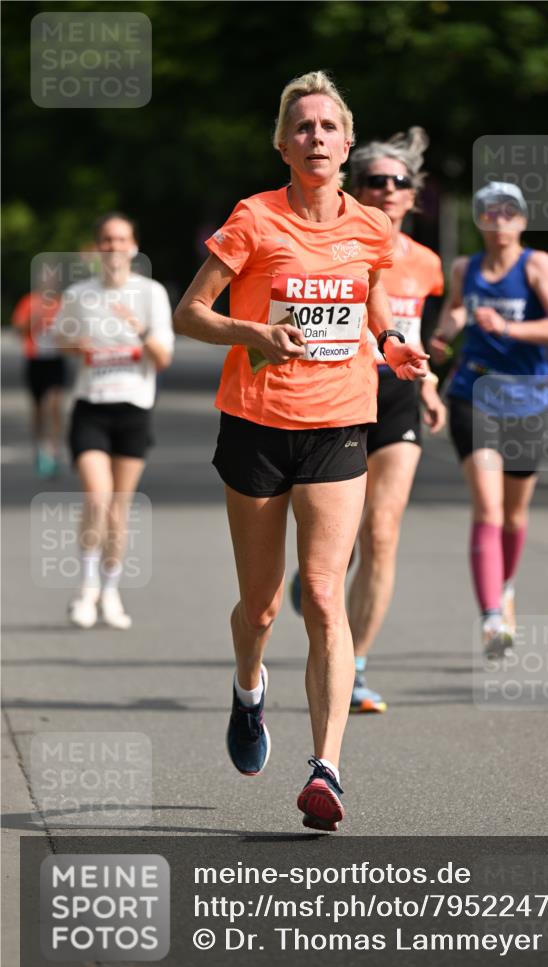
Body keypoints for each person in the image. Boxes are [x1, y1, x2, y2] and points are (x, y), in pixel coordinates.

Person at [173, 71, 428, 831]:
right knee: (261, 606)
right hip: (255, 421)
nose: (316, 139)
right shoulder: (253, 219)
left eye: (328, 128)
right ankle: (248, 692)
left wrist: (391, 344)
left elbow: (372, 300)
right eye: (303, 128)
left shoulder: (370, 229)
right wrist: (251, 331)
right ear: (283, 145)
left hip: (339, 423)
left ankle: (326, 769)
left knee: (321, 593)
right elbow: (189, 314)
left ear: (347, 144)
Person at [290, 127, 446, 713]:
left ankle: (353, 667)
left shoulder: (427, 264)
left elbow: (417, 335)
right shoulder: (340, 244)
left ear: (412, 195)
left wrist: (430, 383)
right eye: (374, 180)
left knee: (382, 532)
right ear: (358, 187)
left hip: (399, 398)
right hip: (342, 394)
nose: (386, 189)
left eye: (397, 182)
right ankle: (320, 582)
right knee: (340, 545)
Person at [430, 182, 548, 657]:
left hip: (527, 400)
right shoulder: (464, 268)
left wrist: (509, 327)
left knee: (514, 514)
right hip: (473, 392)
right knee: (489, 508)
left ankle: (506, 586)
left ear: (522, 220)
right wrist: (443, 334)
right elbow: (456, 308)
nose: (498, 219)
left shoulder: (537, 265)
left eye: (507, 211)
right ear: (479, 220)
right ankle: (492, 617)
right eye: (488, 212)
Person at [52, 213, 174, 630]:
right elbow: (58, 338)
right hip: (91, 405)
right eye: (106, 239)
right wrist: (77, 344)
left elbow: (164, 357)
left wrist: (138, 329)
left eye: (121, 239)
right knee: (97, 497)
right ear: (96, 247)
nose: (114, 247)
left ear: (134, 247)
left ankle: (110, 591)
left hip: (134, 407)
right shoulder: (80, 294)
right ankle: (85, 589)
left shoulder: (151, 293)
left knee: (119, 508)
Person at [11, 267, 66, 477]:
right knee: (37, 408)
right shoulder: (29, 302)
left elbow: (73, 329)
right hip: (35, 360)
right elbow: (18, 330)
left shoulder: (62, 303)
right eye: (45, 280)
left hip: (55, 359)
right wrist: (33, 319)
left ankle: (53, 448)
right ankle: (39, 444)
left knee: (53, 403)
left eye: (52, 280)